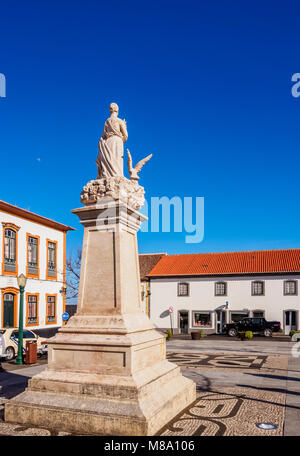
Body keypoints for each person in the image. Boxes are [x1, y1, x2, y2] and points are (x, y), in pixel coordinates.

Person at [96, 103, 128, 178]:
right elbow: (126, 135)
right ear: (117, 110)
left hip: (108, 141)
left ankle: (107, 175)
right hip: (117, 141)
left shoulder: (107, 121)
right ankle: (117, 176)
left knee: (108, 160)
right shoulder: (119, 121)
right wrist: (122, 140)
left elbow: (103, 135)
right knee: (118, 160)